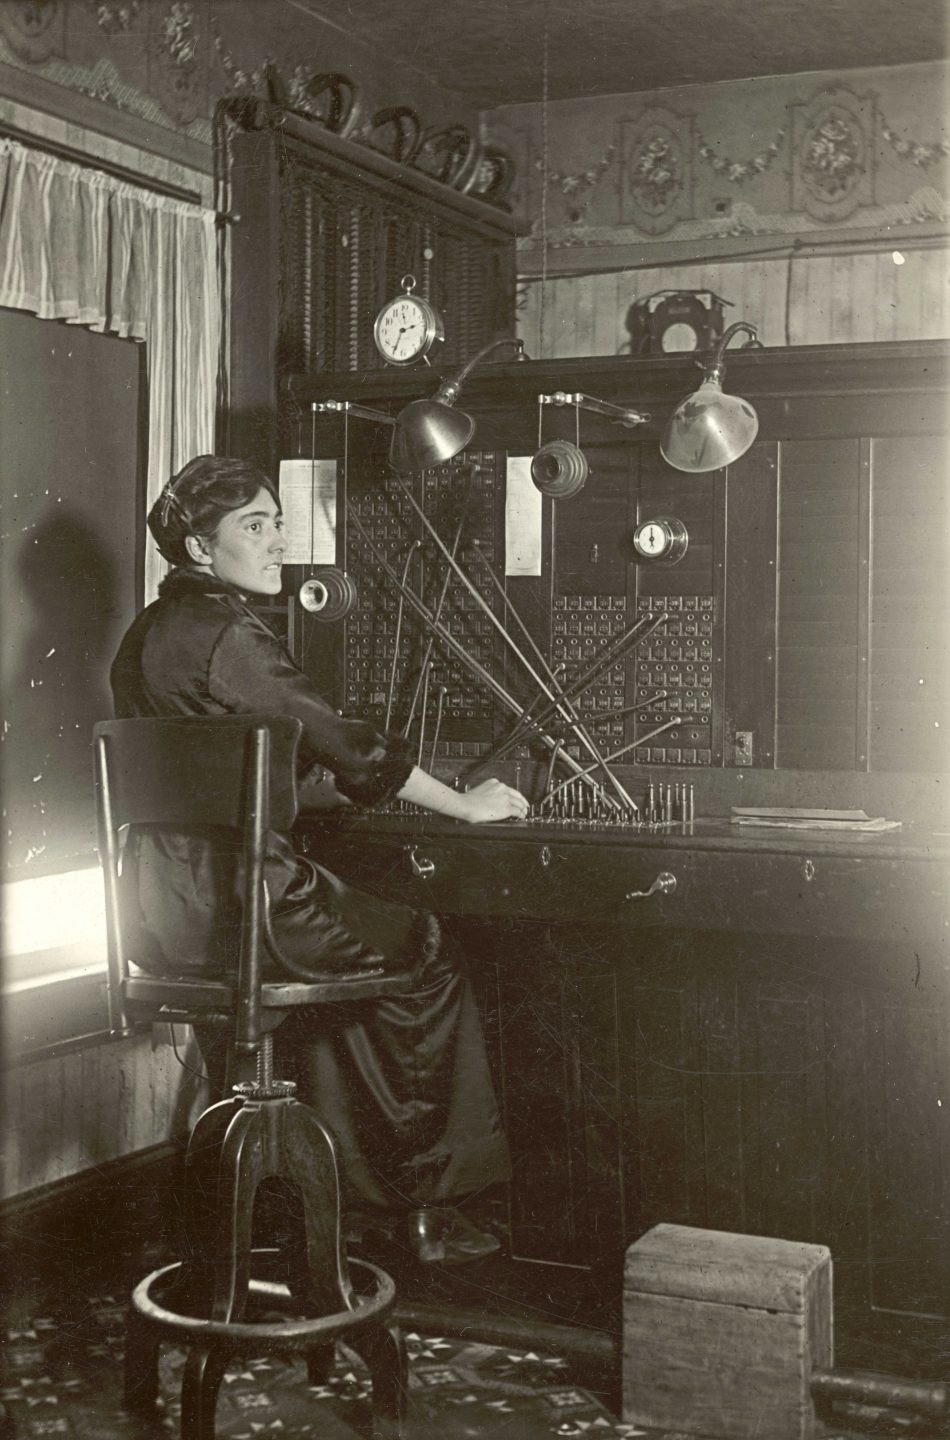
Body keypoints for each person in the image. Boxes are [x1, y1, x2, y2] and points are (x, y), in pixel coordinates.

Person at [110, 454, 528, 1264]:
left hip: (159, 912)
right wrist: (466, 803)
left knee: (340, 982)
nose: (278, 544)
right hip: (247, 905)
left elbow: (230, 775)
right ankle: (422, 1211)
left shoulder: (145, 638)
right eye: (254, 528)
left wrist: (330, 793)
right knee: (425, 951)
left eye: (276, 522)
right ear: (201, 549)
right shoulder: (229, 635)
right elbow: (352, 745)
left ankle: (321, 1201)